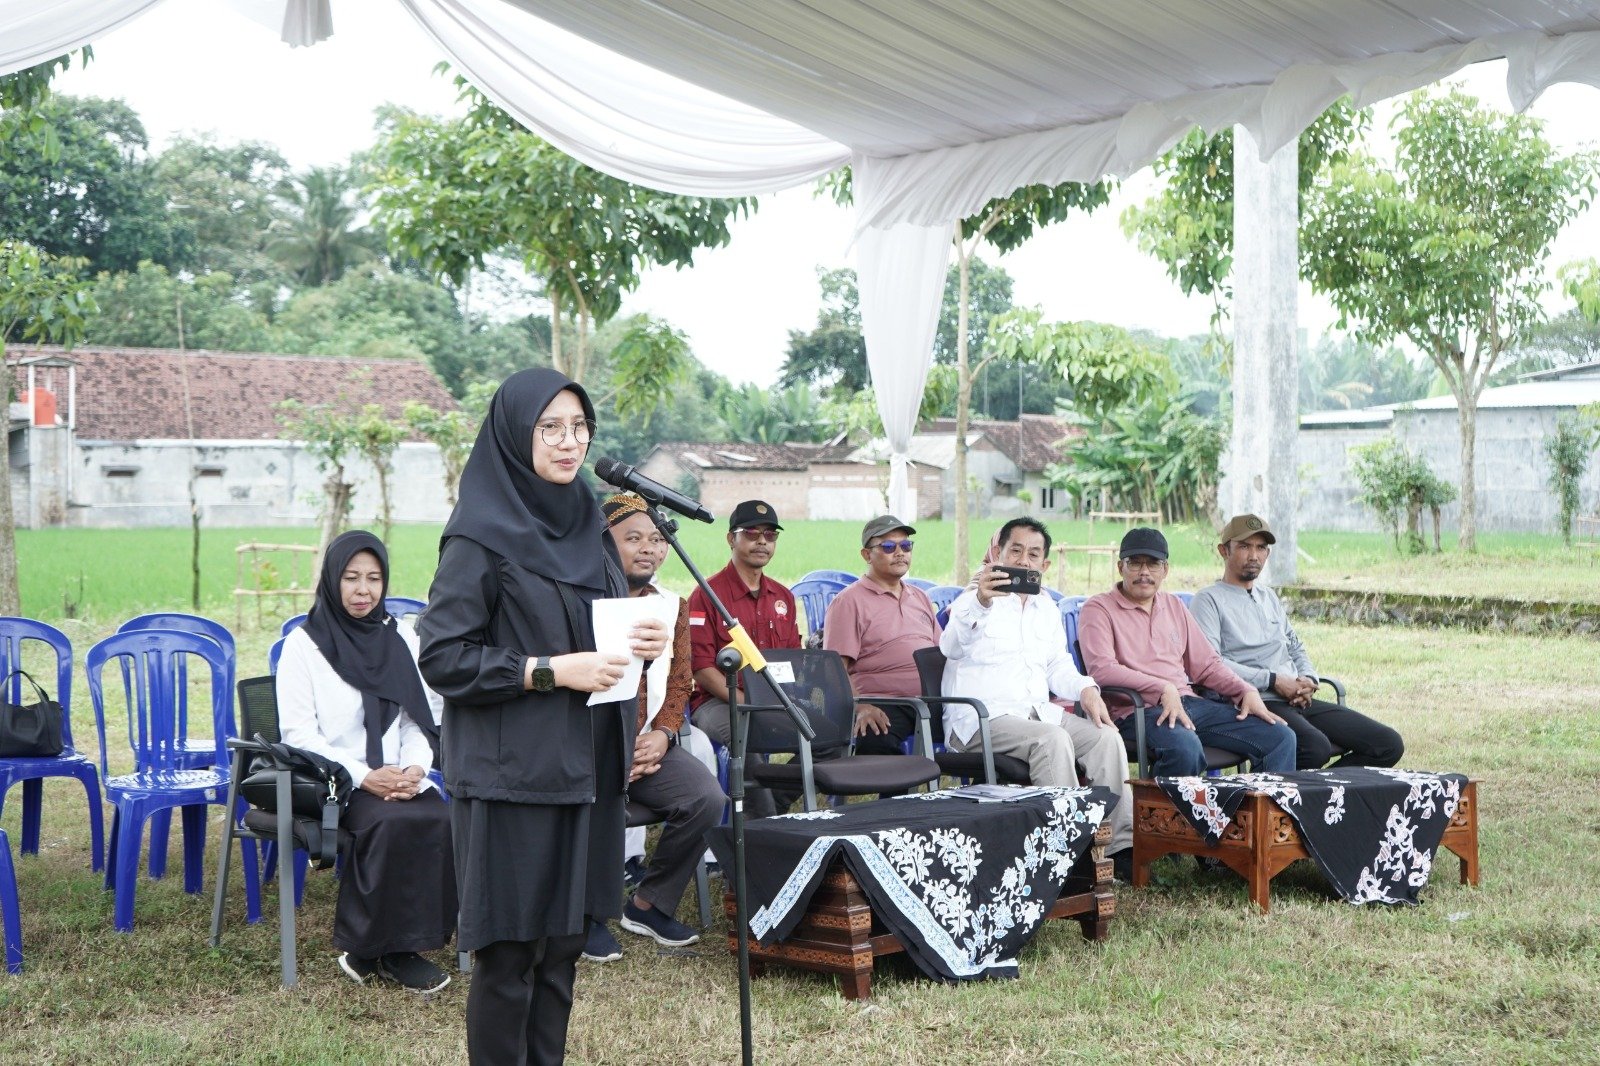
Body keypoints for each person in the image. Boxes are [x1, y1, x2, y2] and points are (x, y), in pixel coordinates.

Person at [417, 369, 670, 1066]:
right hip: (511, 776)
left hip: (587, 766)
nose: (570, 442)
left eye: (579, 427)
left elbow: (602, 642)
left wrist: (638, 646)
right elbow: (441, 657)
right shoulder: (477, 536)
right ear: (513, 433)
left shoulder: (590, 524)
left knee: (563, 949)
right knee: (510, 957)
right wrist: (549, 669)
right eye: (550, 427)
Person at [275, 529, 456, 993]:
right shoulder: (304, 645)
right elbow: (299, 734)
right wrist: (364, 776)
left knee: (437, 815)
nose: (363, 590)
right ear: (332, 580)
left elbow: (417, 720)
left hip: (396, 775)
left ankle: (405, 946)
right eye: (352, 577)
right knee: (387, 823)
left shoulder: (399, 641)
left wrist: (414, 769)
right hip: (331, 780)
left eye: (374, 578)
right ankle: (369, 949)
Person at [938, 517, 1135, 877]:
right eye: (1016, 550)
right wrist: (981, 600)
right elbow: (949, 647)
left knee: (1106, 737)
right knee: (1052, 740)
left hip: (1035, 713)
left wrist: (1086, 689)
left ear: (1044, 565)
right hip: (981, 720)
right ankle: (1070, 852)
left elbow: (1058, 666)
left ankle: (1121, 848)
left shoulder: (1046, 607)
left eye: (1034, 554)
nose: (1024, 561)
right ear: (997, 553)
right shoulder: (973, 600)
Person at [581, 493, 725, 965]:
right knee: (590, 803)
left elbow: (681, 681)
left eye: (658, 539)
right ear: (603, 542)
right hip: (587, 745)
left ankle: (648, 903)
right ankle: (583, 917)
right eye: (633, 538)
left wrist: (662, 734)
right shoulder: (580, 601)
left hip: (647, 744)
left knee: (706, 798)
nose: (649, 548)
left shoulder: (671, 606)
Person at [1078, 527, 1296, 778]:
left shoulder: (1173, 605)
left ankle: (1255, 816)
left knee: (1279, 737)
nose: (1144, 572)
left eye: (1153, 564)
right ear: (1120, 567)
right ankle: (1162, 818)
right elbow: (1102, 670)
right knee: (1185, 748)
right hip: (1136, 712)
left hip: (1190, 704)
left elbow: (1206, 665)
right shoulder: (1098, 608)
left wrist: (1244, 690)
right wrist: (1162, 688)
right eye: (1135, 564)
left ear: (1166, 570)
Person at [1190, 514, 1404, 770]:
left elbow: (1293, 644)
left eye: (1260, 548)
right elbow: (1213, 663)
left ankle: (1325, 802)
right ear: (1224, 550)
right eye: (1244, 546)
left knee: (1387, 744)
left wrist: (1308, 679)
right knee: (1313, 747)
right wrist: (1274, 680)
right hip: (1256, 701)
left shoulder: (1267, 596)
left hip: (1297, 697)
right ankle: (1273, 804)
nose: (1253, 556)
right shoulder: (1208, 600)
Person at [685, 499, 802, 747]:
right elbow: (702, 669)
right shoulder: (706, 594)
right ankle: (759, 787)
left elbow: (793, 659)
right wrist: (749, 702)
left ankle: (782, 787)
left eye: (770, 535)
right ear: (731, 539)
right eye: (751, 533)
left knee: (827, 732)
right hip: (719, 702)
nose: (762, 541)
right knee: (750, 735)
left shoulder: (783, 597)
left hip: (774, 700)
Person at [822, 514, 941, 756]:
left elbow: (940, 654)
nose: (900, 553)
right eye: (888, 546)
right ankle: (896, 793)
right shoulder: (849, 601)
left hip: (931, 700)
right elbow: (834, 669)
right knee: (877, 736)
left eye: (906, 546)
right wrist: (861, 706)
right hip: (884, 702)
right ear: (867, 555)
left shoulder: (920, 597)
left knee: (983, 726)